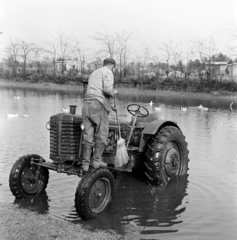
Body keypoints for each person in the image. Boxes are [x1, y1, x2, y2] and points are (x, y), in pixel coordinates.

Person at [81, 58, 118, 172]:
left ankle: (85, 164)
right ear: (113, 66)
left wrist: (111, 103)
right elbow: (107, 90)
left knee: (88, 135)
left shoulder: (94, 73)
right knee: (102, 135)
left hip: (86, 105)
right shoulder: (108, 72)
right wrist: (115, 92)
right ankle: (97, 161)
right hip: (98, 105)